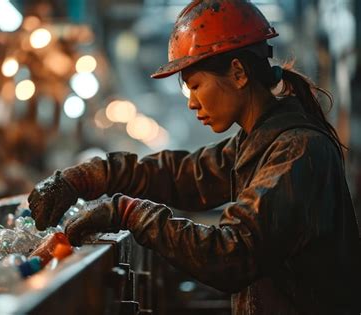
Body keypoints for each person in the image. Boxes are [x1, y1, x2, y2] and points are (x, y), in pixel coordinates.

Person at [28, 1, 361, 314]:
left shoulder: (295, 150)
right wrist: (89, 176)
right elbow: (181, 175)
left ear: (238, 73)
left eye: (196, 85)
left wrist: (127, 212)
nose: (191, 102)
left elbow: (231, 254)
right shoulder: (257, 144)